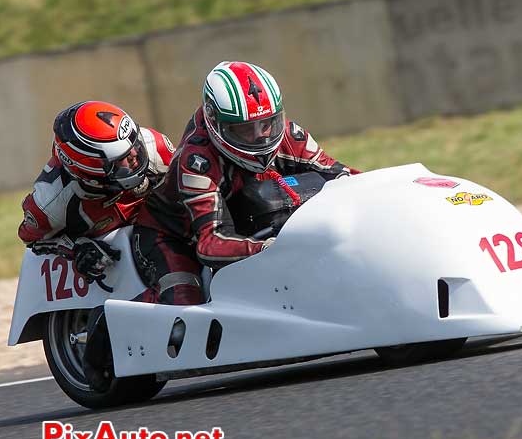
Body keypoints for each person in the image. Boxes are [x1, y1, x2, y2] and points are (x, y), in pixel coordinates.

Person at [132, 61, 359, 305]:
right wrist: (271, 248)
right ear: (216, 124)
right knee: (184, 297)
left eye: (267, 123)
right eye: (244, 130)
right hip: (173, 237)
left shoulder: (290, 135)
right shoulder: (197, 160)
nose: (260, 136)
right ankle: (108, 323)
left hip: (239, 226)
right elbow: (210, 243)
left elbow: (347, 178)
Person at [18, 100, 175, 282]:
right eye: (121, 158)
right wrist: (76, 249)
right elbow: (32, 240)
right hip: (111, 275)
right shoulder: (49, 203)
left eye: (134, 143)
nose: (134, 155)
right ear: (89, 168)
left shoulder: (155, 146)